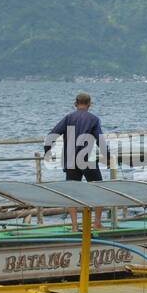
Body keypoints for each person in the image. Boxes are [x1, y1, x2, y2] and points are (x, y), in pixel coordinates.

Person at [45, 92, 110, 230]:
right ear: (89, 104)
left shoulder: (68, 118)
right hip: (88, 159)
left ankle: (74, 226)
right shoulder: (94, 119)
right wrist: (108, 157)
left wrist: (47, 151)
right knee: (99, 190)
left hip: (70, 160)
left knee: (72, 193)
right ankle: (97, 223)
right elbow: (100, 141)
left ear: (76, 103)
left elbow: (52, 134)